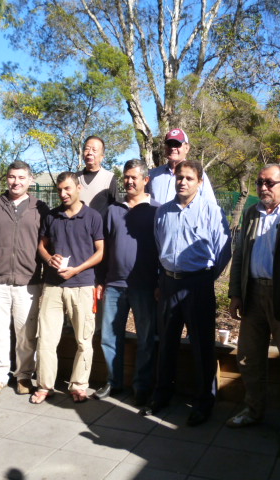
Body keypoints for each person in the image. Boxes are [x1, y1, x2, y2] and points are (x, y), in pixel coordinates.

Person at [140, 160, 231, 426]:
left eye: (189, 178)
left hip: (198, 284)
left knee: (202, 344)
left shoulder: (211, 210)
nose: (183, 182)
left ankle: (204, 401)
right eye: (180, 177)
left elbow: (224, 251)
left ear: (200, 183)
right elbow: (159, 248)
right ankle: (162, 395)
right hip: (168, 284)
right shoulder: (163, 213)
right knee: (166, 340)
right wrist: (161, 280)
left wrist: (206, 279)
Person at [227, 164, 280, 441]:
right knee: (248, 357)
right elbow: (239, 257)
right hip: (253, 293)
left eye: (269, 183)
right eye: (260, 182)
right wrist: (236, 293)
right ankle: (252, 409)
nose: (263, 188)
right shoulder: (251, 213)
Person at [0, 161, 48, 396]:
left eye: (22, 178)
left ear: (30, 180)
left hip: (28, 281)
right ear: (6, 178)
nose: (16, 182)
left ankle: (24, 376)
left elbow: (47, 244)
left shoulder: (40, 208)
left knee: (26, 332)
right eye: (12, 177)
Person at [32, 172, 104, 404]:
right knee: (45, 339)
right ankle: (45, 386)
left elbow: (101, 252)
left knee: (84, 341)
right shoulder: (52, 216)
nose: (63, 194)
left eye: (67, 189)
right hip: (53, 286)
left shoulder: (93, 216)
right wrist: (49, 257)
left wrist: (77, 269)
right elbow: (41, 246)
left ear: (78, 187)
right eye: (59, 190)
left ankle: (79, 386)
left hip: (82, 286)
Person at [94, 159, 160, 406]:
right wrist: (101, 280)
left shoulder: (157, 211)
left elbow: (163, 249)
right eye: (126, 177)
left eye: (134, 177)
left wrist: (159, 282)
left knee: (145, 338)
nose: (129, 181)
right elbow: (104, 248)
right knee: (109, 337)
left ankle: (141, 386)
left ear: (146, 180)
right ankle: (113, 382)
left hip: (145, 286)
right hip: (114, 285)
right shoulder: (113, 210)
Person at [147, 128, 217, 204]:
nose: (172, 148)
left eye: (177, 144)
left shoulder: (198, 174)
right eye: (169, 144)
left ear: (187, 148)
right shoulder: (152, 174)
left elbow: (211, 205)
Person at [76, 135, 118, 216]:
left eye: (94, 150)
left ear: (102, 157)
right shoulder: (75, 177)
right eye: (87, 149)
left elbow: (115, 208)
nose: (90, 153)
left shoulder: (109, 178)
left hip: (101, 228)